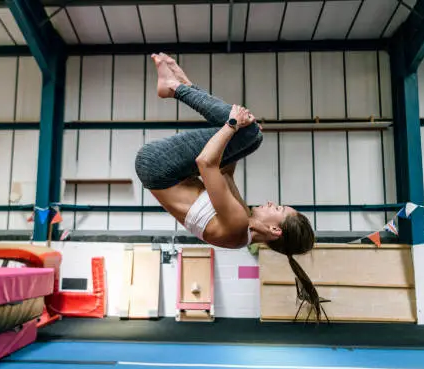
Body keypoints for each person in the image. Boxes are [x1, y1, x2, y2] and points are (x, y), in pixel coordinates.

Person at [135, 54, 320, 318]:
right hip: (167, 173)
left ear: (275, 229)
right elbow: (225, 170)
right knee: (251, 137)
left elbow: (206, 163)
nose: (270, 202)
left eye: (277, 207)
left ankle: (174, 87)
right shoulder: (242, 225)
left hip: (157, 167)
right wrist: (244, 142)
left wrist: (235, 127)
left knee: (246, 132)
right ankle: (181, 83)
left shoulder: (237, 225)